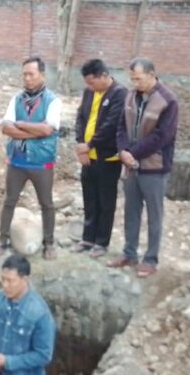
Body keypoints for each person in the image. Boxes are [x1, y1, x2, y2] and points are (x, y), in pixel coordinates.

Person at [106, 57, 178, 278]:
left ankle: (151, 259)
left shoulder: (168, 101)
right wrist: (123, 151)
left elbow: (162, 136)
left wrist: (132, 153)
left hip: (154, 167)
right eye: (132, 79)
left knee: (154, 214)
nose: (134, 83)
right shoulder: (130, 96)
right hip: (131, 166)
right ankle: (129, 253)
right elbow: (121, 127)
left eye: (138, 79)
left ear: (151, 75)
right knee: (131, 211)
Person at [0, 57, 61, 260]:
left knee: (46, 203)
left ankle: (49, 243)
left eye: (31, 74)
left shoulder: (53, 101)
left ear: (42, 75)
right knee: (9, 201)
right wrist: (35, 131)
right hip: (17, 161)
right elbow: (6, 128)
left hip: (42, 162)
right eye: (24, 74)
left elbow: (48, 129)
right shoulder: (16, 99)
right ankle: (2, 240)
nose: (27, 78)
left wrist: (20, 124)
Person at [73, 59, 127, 258]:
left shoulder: (120, 94)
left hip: (108, 158)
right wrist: (81, 144)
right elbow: (80, 117)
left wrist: (89, 145)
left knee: (106, 201)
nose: (90, 87)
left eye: (92, 82)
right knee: (89, 198)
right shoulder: (89, 92)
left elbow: (111, 125)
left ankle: (102, 242)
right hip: (88, 157)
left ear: (104, 76)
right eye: (87, 83)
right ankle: (87, 238)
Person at [0, 254, 56, 374]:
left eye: (10, 281)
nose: (5, 285)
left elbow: (43, 355)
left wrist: (7, 362)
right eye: (3, 279)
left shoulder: (39, 313)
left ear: (25, 280)